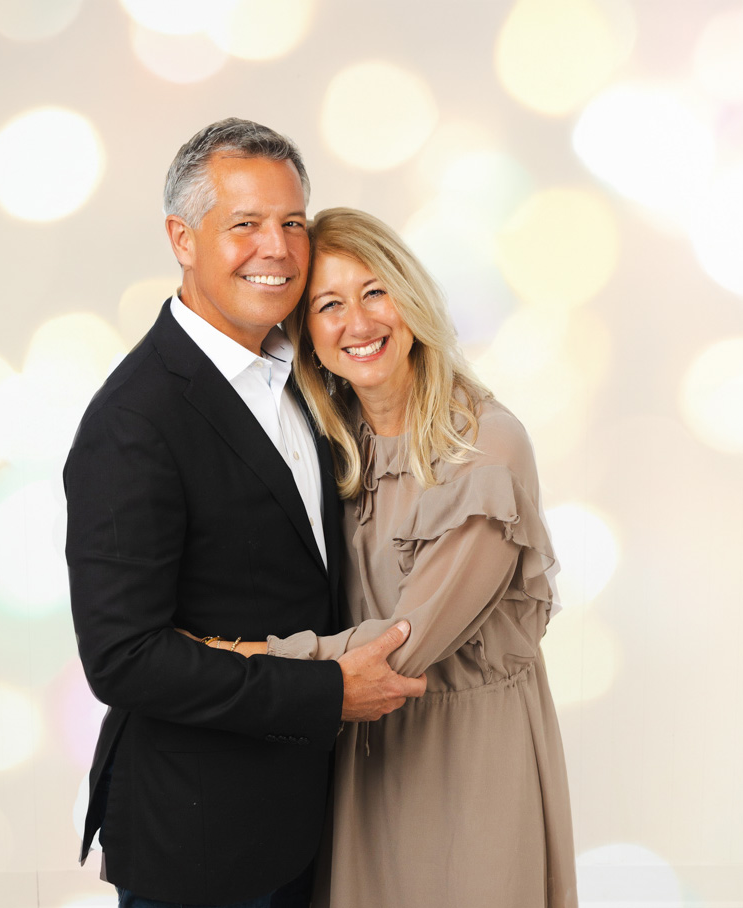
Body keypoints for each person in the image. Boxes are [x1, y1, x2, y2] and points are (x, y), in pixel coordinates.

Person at [63, 122, 427, 908]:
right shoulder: (134, 420)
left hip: (312, 821)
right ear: (181, 239)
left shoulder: (300, 373)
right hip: (203, 843)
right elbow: (123, 657)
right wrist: (328, 693)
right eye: (246, 225)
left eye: (293, 223)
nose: (280, 249)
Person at [198, 207, 578, 906]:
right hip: (361, 766)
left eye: (375, 291)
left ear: (411, 298)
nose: (358, 323)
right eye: (329, 305)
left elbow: (397, 652)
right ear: (307, 333)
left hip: (472, 768)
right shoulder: (333, 451)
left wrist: (233, 658)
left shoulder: (485, 448)